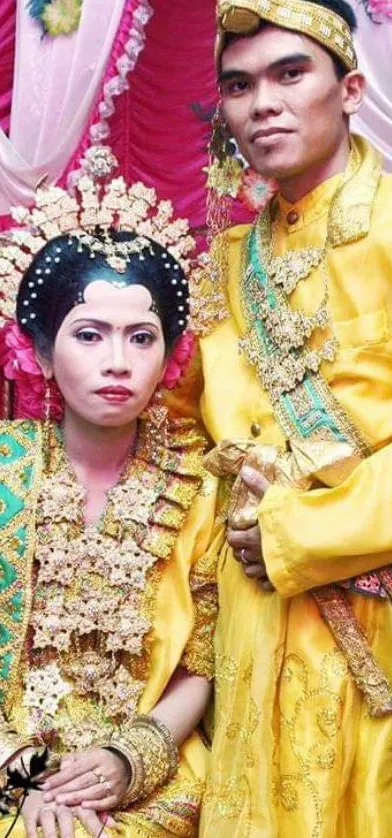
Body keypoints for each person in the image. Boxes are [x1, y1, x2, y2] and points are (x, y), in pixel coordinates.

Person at [194, 0, 392, 835]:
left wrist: (302, 530)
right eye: (239, 86)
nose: (263, 104)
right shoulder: (224, 264)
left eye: (290, 74)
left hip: (375, 610)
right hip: (250, 620)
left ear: (350, 87)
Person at [0, 171, 224, 838]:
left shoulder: (201, 483)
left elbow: (205, 665)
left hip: (148, 774)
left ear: (169, 356)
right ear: (40, 351)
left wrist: (129, 759)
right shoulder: (5, 467)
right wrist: (20, 770)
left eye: (141, 336)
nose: (117, 362)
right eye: (90, 335)